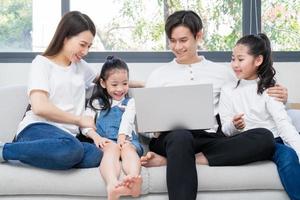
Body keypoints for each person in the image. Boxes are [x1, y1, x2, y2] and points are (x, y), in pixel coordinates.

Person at [140, 10, 288, 200]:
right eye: (172, 40)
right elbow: (145, 123)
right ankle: (177, 157)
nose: (177, 46)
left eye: (183, 40)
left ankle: (176, 161)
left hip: (210, 138)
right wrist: (155, 129)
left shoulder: (221, 73)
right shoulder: (158, 75)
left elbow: (250, 91)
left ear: (198, 35)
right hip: (172, 139)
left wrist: (281, 96)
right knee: (181, 136)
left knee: (265, 137)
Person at [0, 11, 103, 169]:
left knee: (95, 154)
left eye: (89, 46)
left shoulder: (81, 67)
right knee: (72, 149)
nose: (86, 52)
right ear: (65, 37)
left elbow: (107, 79)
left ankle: (44, 155)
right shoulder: (41, 63)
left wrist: (143, 84)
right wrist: (79, 120)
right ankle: (5, 150)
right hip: (36, 129)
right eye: (82, 45)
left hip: (67, 138)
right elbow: (40, 107)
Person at [218, 33, 300, 200]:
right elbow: (226, 130)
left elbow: (283, 124)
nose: (234, 64)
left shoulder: (270, 89)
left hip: (272, 141)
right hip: (244, 142)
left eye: (240, 59)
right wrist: (234, 125)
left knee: (288, 156)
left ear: (258, 61)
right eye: (233, 59)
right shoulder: (227, 90)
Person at [81, 56, 143, 200]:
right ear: (103, 83)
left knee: (128, 148)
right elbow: (85, 123)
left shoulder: (130, 102)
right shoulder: (97, 103)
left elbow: (127, 120)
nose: (120, 89)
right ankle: (112, 184)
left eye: (125, 83)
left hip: (127, 138)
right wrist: (96, 137)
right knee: (112, 148)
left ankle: (133, 179)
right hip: (106, 140)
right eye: (114, 85)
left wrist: (122, 138)